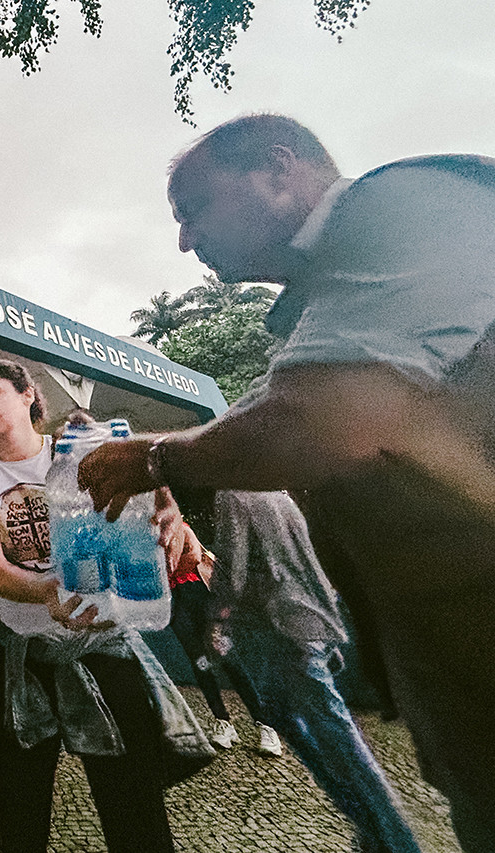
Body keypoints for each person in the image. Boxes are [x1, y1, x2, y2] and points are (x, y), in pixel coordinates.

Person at [76, 113, 495, 850]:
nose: (185, 239)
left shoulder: (403, 203)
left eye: (194, 208)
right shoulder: (320, 301)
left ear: (277, 165)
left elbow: (322, 418)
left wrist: (157, 460)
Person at [0, 359, 212, 853]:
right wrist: (49, 592)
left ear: (28, 394)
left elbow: (151, 497)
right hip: (21, 656)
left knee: (132, 796)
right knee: (19, 802)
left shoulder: (83, 452)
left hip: (103, 641)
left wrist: (173, 515)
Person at [201, 490, 420, 853]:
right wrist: (329, 631)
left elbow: (232, 574)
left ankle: (394, 841)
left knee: (334, 738)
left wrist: (214, 624)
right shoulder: (279, 495)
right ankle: (374, 831)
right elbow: (311, 566)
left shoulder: (232, 496)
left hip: (280, 633)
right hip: (306, 626)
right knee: (318, 732)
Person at [166, 519, 280, 756]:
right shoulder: (145, 538)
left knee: (228, 659)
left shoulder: (181, 528)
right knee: (201, 664)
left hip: (202, 599)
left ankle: (266, 725)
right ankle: (223, 722)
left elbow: (194, 558)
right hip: (178, 604)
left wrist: (161, 568)